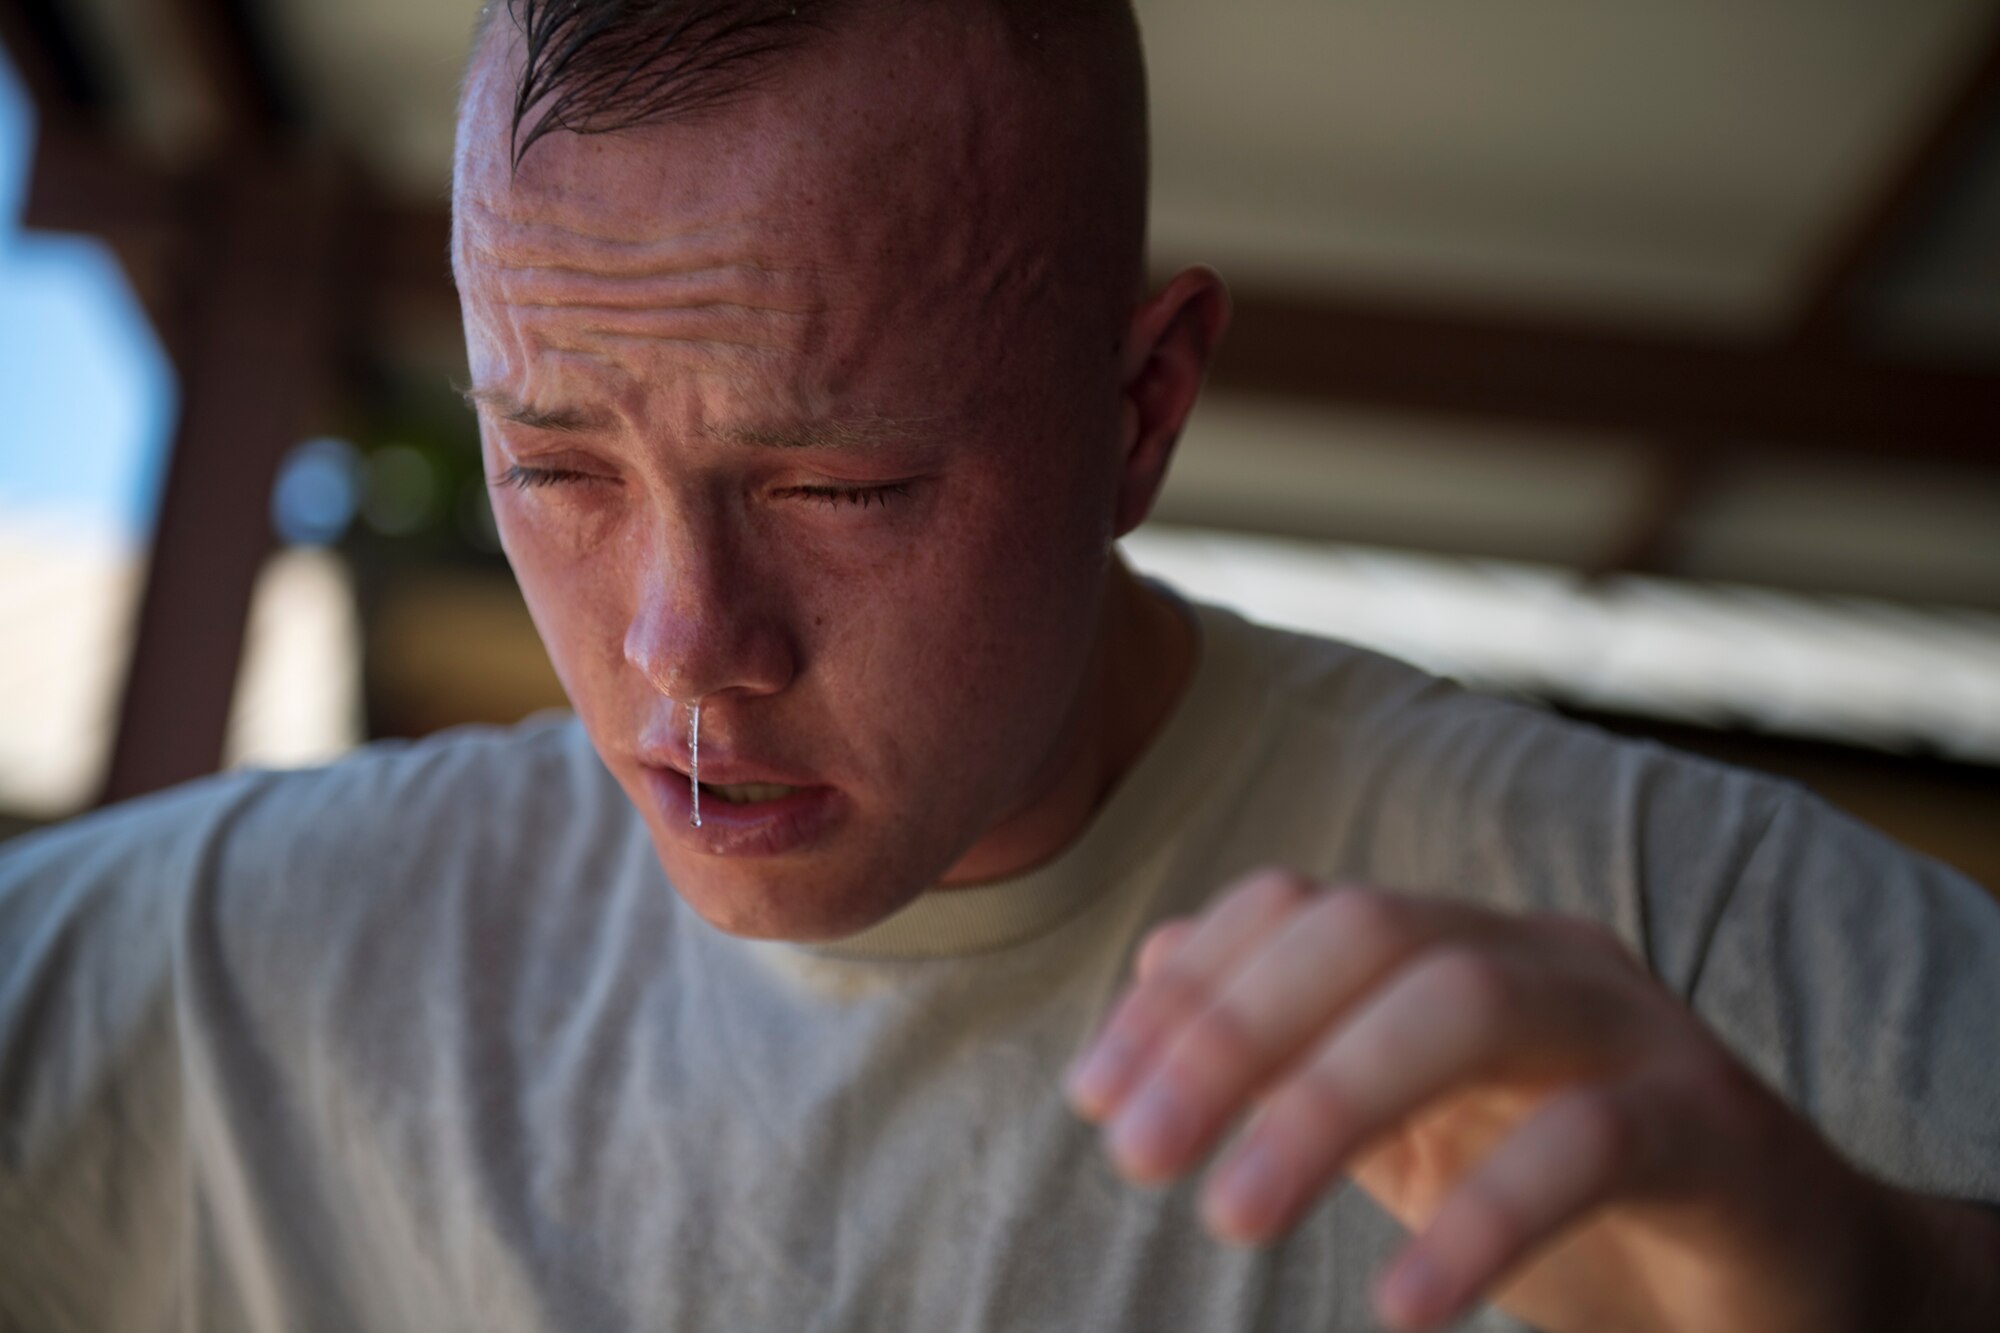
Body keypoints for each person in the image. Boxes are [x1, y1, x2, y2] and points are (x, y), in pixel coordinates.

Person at [3, 1, 1997, 1329]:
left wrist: (1891, 1285)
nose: (679, 643)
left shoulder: (1667, 941)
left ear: (1140, 413)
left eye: (841, 482)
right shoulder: (248, 966)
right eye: (554, 464)